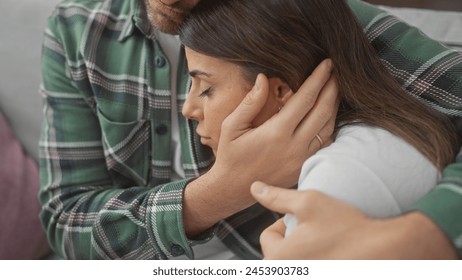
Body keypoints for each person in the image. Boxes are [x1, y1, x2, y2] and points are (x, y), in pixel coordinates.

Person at [39, 0, 461, 259]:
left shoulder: (306, 17)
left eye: (203, 87)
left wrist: (424, 238)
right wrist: (221, 191)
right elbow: (64, 220)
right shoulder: (77, 30)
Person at [179, 0, 458, 243]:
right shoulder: (383, 138)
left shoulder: (339, 178)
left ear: (279, 91)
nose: (187, 109)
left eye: (205, 88)